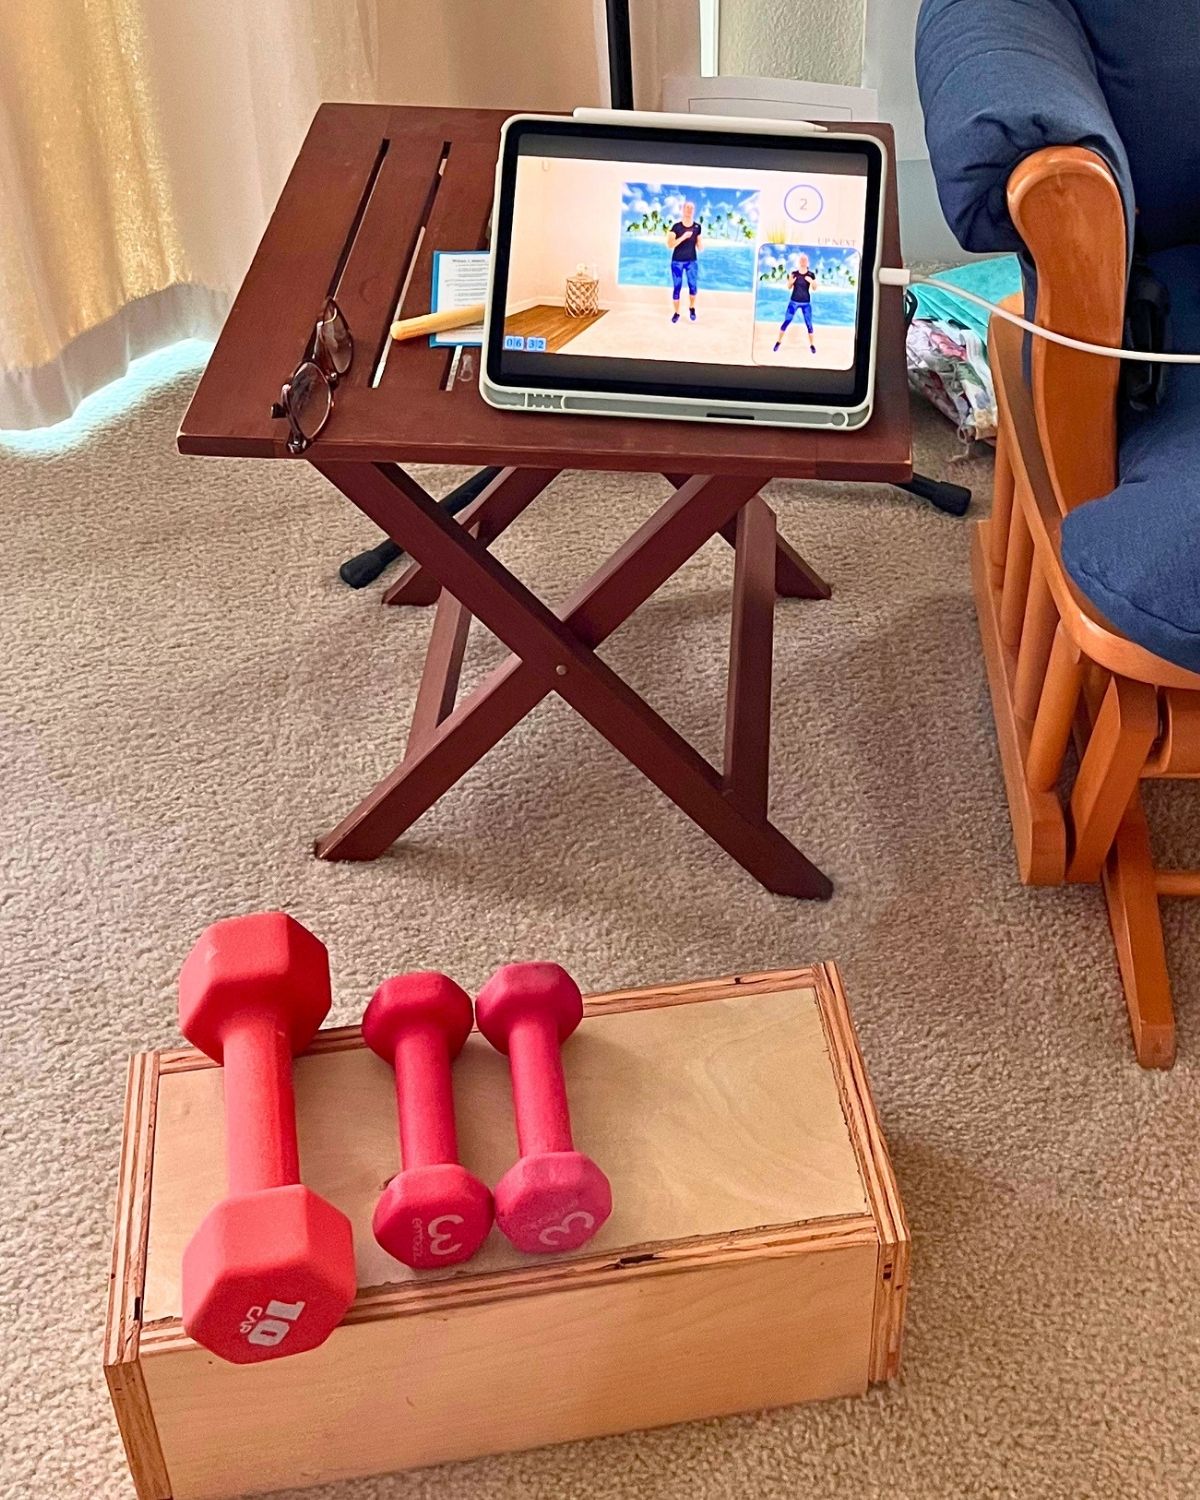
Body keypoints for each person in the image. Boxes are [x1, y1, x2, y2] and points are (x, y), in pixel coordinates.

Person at [666, 201, 703, 322]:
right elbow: (670, 245)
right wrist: (683, 237)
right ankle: (676, 313)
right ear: (683, 209)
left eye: (692, 208)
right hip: (677, 261)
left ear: (694, 211)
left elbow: (699, 244)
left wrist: (701, 245)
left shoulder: (697, 227)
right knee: (677, 287)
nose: (689, 210)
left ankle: (692, 308)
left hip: (692, 261)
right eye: (687, 207)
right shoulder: (676, 227)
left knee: (693, 287)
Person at [774, 254, 817, 354]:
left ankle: (812, 345)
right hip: (794, 302)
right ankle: (778, 342)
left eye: (805, 260)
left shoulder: (811, 274)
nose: (803, 261)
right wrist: (791, 282)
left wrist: (811, 282)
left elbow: (815, 288)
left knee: (809, 324)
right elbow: (789, 287)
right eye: (801, 260)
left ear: (807, 262)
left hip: (806, 303)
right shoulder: (793, 274)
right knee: (787, 321)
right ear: (799, 262)